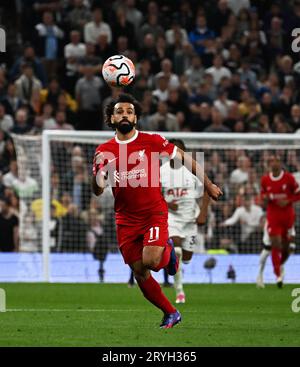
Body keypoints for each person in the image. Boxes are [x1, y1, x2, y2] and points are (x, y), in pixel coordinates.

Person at [92, 93, 222, 329]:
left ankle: (168, 251)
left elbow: (185, 159)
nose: (125, 115)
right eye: (119, 111)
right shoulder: (104, 150)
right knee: (139, 272)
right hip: (125, 220)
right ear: (111, 118)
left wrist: (209, 184)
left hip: (153, 214)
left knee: (151, 261)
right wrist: (99, 174)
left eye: (129, 112)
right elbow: (98, 190)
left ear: (136, 118)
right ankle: (171, 312)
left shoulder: (151, 141)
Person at [161, 139, 211, 304]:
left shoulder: (193, 170)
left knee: (187, 257)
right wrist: (167, 203)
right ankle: (180, 292)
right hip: (171, 217)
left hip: (190, 219)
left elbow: (206, 189)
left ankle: (177, 263)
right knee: (177, 250)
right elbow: (152, 194)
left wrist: (203, 213)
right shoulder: (161, 171)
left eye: (179, 151)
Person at [260, 154, 300, 288]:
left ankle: (280, 265)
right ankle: (278, 275)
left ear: (280, 163)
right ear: (269, 164)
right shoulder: (265, 180)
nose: (274, 164)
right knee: (275, 244)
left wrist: (288, 200)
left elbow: (298, 194)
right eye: (271, 161)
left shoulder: (289, 178)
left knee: (287, 248)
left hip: (288, 216)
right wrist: (265, 198)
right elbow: (262, 196)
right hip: (273, 216)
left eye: (276, 161)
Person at [256, 222, 296, 288]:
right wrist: (270, 245)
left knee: (281, 262)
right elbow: (266, 236)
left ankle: (280, 278)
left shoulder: (289, 221)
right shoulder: (269, 222)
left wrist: (291, 244)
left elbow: (292, 234)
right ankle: (259, 278)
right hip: (269, 245)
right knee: (262, 260)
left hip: (281, 244)